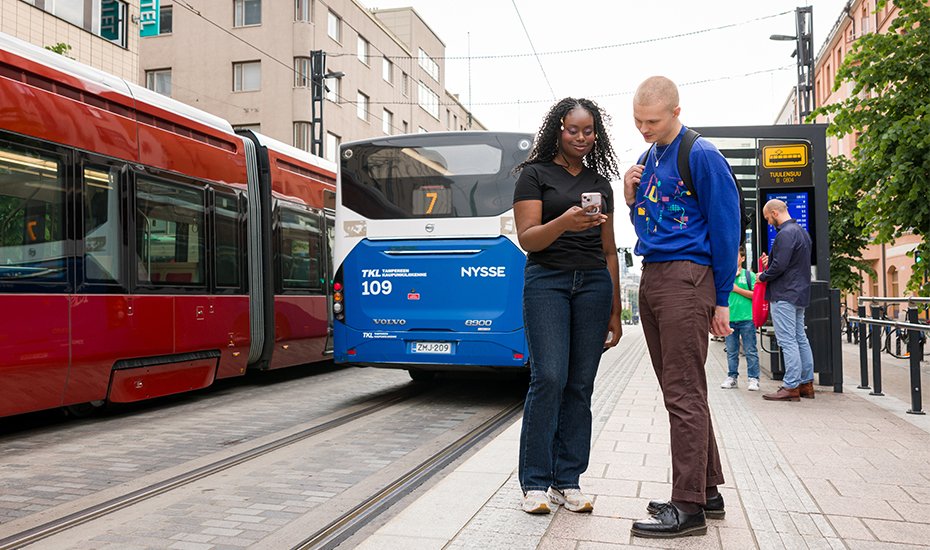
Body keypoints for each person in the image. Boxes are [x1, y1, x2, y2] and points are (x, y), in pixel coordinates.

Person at [622, 76, 740, 538]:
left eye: (651, 121)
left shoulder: (702, 155)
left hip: (688, 278)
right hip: (654, 274)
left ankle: (687, 508)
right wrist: (630, 199)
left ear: (676, 111)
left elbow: (727, 229)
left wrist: (723, 299)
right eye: (637, 120)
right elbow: (647, 223)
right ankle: (706, 492)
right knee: (683, 389)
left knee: (683, 393)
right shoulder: (647, 157)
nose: (643, 129)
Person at [513, 97, 623, 515]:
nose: (582, 137)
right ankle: (535, 483)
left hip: (593, 283)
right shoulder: (534, 176)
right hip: (548, 281)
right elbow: (529, 238)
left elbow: (610, 250)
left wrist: (614, 310)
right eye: (573, 130)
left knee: (580, 384)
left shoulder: (601, 181)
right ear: (558, 129)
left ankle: (568, 481)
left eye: (589, 130)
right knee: (550, 377)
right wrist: (565, 221)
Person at [758, 199, 815, 401]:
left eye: (767, 218)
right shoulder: (801, 232)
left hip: (784, 293)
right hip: (799, 292)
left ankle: (790, 386)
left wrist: (762, 276)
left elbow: (780, 267)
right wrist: (770, 262)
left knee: (787, 340)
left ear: (774, 212)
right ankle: (806, 384)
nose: (768, 222)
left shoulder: (784, 234)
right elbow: (790, 263)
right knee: (800, 338)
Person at [720, 245, 761, 391]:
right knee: (731, 351)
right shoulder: (724, 275)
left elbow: (756, 295)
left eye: (736, 255)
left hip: (747, 318)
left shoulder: (749, 275)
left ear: (742, 258)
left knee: (750, 350)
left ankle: (753, 378)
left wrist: (737, 290)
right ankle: (732, 377)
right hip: (730, 318)